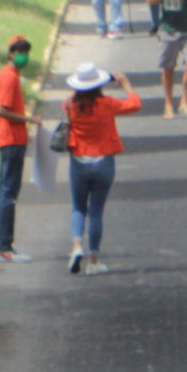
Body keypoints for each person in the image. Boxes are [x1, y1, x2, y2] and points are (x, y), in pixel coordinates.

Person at [58, 62, 143, 273]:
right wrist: (124, 84)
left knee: (78, 207)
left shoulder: (69, 105)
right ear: (99, 84)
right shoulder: (107, 104)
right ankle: (94, 260)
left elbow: (72, 98)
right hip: (103, 161)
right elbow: (134, 104)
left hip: (78, 160)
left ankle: (77, 246)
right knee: (96, 211)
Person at [0, 33, 36, 262]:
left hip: (7, 140)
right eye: (19, 51)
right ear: (10, 53)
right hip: (12, 140)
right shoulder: (9, 78)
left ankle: (1, 244)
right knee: (8, 194)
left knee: (4, 192)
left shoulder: (8, 76)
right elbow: (0, 111)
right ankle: (4, 247)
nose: (23, 55)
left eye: (26, 51)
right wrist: (29, 120)